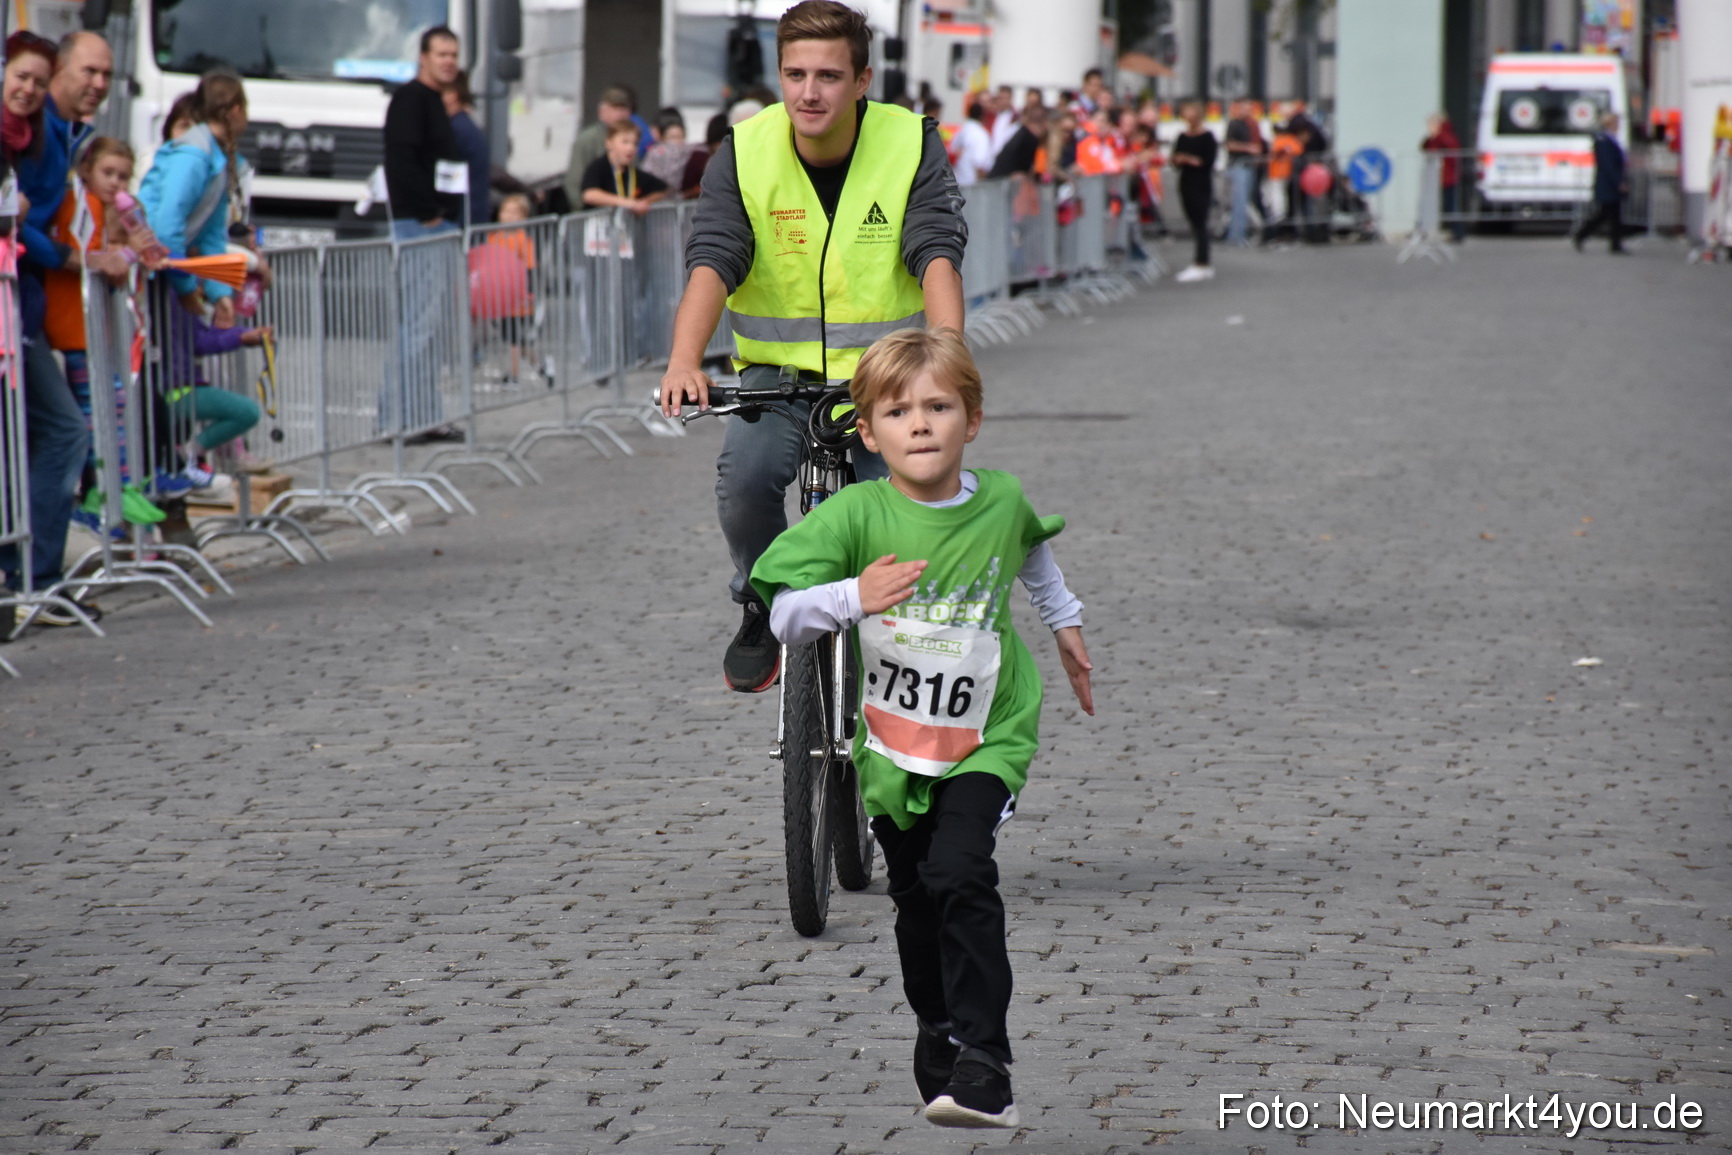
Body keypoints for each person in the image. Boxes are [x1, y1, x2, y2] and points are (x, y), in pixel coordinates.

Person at [749, 327, 1094, 1128]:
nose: (921, 423)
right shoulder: (856, 512)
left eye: (939, 406)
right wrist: (853, 596)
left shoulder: (1000, 498)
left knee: (960, 873)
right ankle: (936, 1024)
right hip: (896, 747)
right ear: (868, 432)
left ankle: (986, 1059)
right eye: (899, 411)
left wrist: (1067, 625)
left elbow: (1031, 551)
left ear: (972, 419)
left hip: (987, 734)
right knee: (914, 897)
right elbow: (785, 612)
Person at [658, 0, 966, 694]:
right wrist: (684, 361)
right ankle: (765, 597)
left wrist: (948, 362)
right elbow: (713, 259)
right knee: (743, 485)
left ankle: (897, 657)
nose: (808, 91)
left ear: (862, 80)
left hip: (886, 382)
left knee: (895, 516)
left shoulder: (910, 142)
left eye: (828, 75)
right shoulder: (744, 150)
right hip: (777, 377)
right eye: (794, 74)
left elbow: (936, 254)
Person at [4, 30, 123, 623]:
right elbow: (19, 222)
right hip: (15, 307)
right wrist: (71, 258)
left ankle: (29, 576)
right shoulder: (34, 130)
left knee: (39, 437)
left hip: (26, 306)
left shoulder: (61, 134)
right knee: (64, 432)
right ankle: (32, 577)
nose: (98, 83)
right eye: (88, 71)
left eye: (107, 74)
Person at [381, 27, 465, 441]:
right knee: (415, 325)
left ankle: (424, 415)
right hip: (419, 225)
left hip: (436, 225)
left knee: (428, 327)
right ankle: (400, 419)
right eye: (441, 53)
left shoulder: (433, 101)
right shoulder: (411, 99)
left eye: (453, 54)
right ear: (423, 57)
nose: (449, 60)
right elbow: (401, 163)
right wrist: (430, 214)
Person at [562, 86, 635, 211]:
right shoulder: (588, 139)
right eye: (616, 109)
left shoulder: (632, 141)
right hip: (591, 213)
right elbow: (574, 180)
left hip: (624, 212)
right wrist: (582, 210)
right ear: (602, 112)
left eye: (624, 109)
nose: (621, 114)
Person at [1169, 100, 1217, 282]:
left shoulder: (1208, 137)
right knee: (1193, 221)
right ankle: (1200, 261)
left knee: (1201, 222)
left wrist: (1190, 159)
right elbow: (1173, 159)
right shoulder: (1182, 136)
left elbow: (1208, 161)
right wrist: (1178, 159)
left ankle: (1202, 262)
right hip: (1186, 181)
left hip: (1201, 182)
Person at [579, 121, 669, 213]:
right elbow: (589, 195)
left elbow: (662, 189)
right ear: (608, 143)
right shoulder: (598, 167)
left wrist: (642, 204)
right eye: (625, 142)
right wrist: (627, 203)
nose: (631, 148)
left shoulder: (632, 172)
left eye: (635, 144)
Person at [1572, 112, 1627, 254]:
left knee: (1614, 215)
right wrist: (1618, 181)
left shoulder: (1610, 139)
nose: (1618, 126)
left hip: (1611, 183)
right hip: (1607, 184)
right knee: (1604, 215)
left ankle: (1615, 244)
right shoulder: (1604, 140)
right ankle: (1582, 235)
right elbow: (1608, 164)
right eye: (1615, 123)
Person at [443, 70, 490, 226]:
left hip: (460, 223)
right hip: (471, 219)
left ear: (452, 95)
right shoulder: (465, 127)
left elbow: (447, 184)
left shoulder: (455, 131)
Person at [1223, 99, 1269, 247]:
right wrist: (1249, 148)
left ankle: (1239, 234)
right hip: (1239, 165)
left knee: (1244, 204)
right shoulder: (1235, 124)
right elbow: (1229, 145)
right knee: (1239, 203)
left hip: (1250, 166)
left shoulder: (1251, 125)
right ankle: (1236, 237)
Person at [1420, 111, 1466, 243]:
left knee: (1451, 206)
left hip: (1448, 177)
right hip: (1437, 178)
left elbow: (1450, 151)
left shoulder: (1445, 137)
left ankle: (1458, 232)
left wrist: (1436, 137)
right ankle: (1423, 229)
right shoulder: (1434, 138)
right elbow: (1425, 147)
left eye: (1431, 124)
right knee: (1431, 204)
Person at [641, 107, 691, 189]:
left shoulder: (690, 153)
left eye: (679, 137)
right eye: (672, 137)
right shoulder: (655, 153)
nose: (676, 143)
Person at [949, 97, 994, 187]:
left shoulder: (961, 131)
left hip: (957, 183)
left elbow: (952, 152)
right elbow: (980, 164)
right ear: (982, 116)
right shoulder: (981, 135)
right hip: (973, 186)